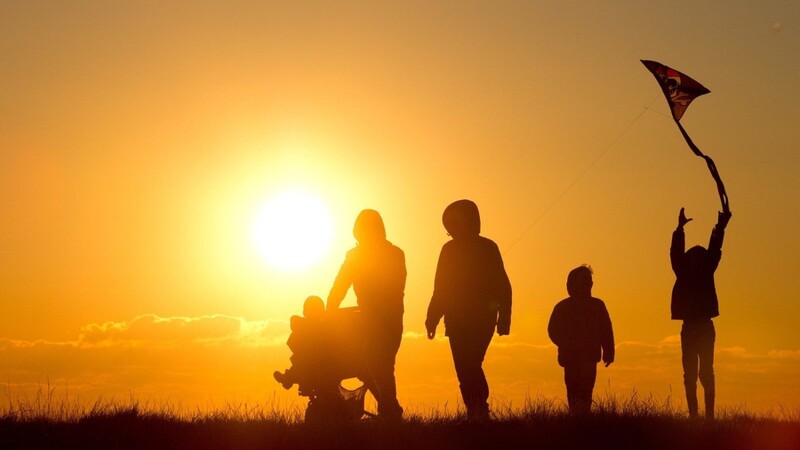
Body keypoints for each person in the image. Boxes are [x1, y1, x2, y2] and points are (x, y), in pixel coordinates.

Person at [425, 199, 512, 420]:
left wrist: (505, 318)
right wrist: (432, 318)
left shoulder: (488, 248)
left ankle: (479, 408)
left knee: (471, 363)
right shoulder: (448, 250)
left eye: (454, 226)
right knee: (464, 369)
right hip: (456, 321)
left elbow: (503, 285)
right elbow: (441, 287)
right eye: (448, 229)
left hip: (483, 320)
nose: (452, 232)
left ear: (469, 222)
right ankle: (475, 411)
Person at [327, 209, 406, 420]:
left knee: (380, 364)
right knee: (377, 365)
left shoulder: (394, 254)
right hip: (375, 318)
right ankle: (390, 411)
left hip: (387, 318)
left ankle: (391, 410)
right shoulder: (358, 256)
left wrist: (331, 308)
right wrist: (330, 307)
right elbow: (340, 285)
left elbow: (397, 287)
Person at [671, 207, 731, 419]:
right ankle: (699, 417)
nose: (696, 255)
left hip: (700, 327)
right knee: (696, 373)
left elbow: (713, 249)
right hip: (697, 327)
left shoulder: (699, 269)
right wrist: (679, 229)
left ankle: (705, 417)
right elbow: (710, 250)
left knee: (701, 372)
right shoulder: (690, 270)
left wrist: (720, 228)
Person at [547, 265, 615, 414]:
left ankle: (583, 418)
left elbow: (606, 330)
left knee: (586, 389)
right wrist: (566, 344)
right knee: (572, 389)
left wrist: (609, 351)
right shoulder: (563, 307)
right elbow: (553, 330)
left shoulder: (597, 305)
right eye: (583, 280)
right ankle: (576, 417)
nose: (588, 283)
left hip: (590, 356)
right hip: (570, 357)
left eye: (589, 280)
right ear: (571, 284)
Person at [273, 295, 327, 390]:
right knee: (302, 359)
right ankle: (288, 378)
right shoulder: (309, 327)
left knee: (303, 360)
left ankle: (288, 378)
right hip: (312, 359)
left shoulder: (321, 327)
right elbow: (295, 322)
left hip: (318, 360)